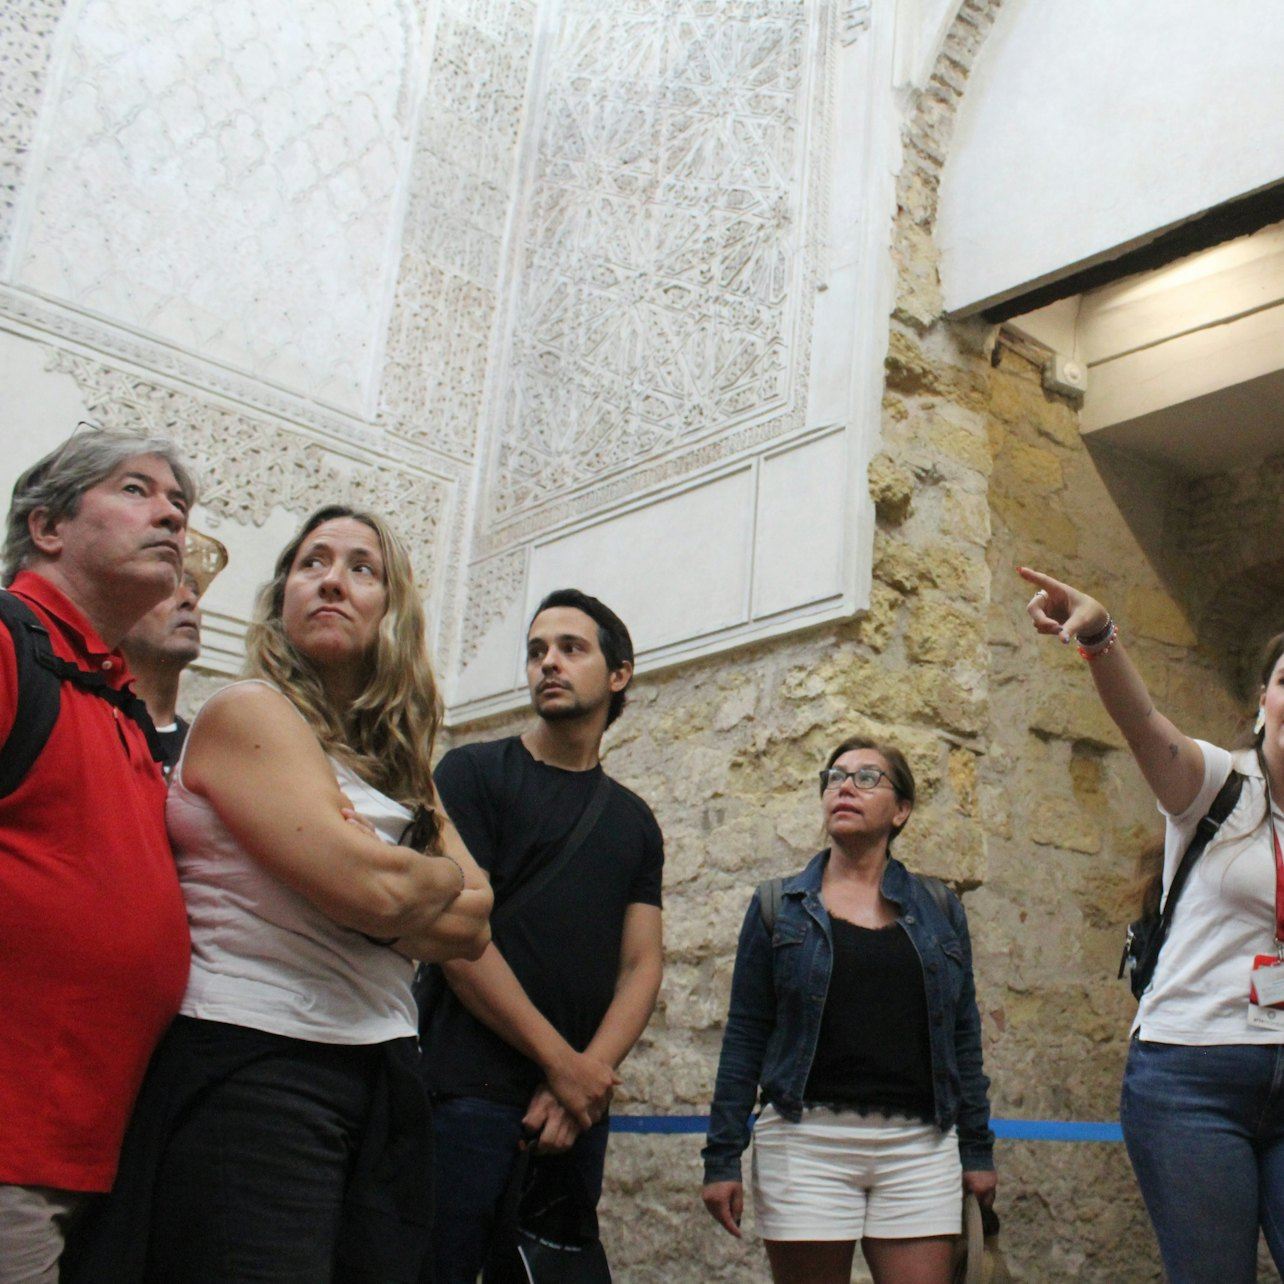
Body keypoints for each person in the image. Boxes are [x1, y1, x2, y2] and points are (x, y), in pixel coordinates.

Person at [66, 504, 493, 1284]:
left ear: (392, 610)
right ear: (282, 596)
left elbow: (475, 923)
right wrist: (418, 876)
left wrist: (389, 880)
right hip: (258, 1067)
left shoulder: (399, 764)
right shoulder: (248, 712)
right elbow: (376, 892)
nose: (333, 579)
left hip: (382, 1066)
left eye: (362, 568)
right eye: (312, 563)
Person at [1019, 565, 1284, 1283]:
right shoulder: (1214, 782)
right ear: (1265, 702)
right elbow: (1142, 724)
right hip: (1192, 1078)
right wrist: (1101, 637)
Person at [420, 588, 665, 1282]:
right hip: (465, 1094)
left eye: (570, 648)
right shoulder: (468, 774)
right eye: (536, 651)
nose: (547, 664)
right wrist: (564, 1066)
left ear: (618, 674)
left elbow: (642, 965)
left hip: (574, 1115)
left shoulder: (634, 821)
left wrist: (583, 1082)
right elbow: (458, 939)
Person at [0, 429, 196, 1284]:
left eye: (179, 505)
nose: (172, 517)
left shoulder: (112, 698)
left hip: (86, 1153)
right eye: (137, 491)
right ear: (48, 526)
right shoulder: (10, 645)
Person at [701, 736, 996, 1284]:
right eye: (834, 777)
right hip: (804, 1141)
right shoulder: (778, 907)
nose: (844, 787)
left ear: (901, 810)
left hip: (920, 1145)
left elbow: (963, 1033)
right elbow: (745, 1034)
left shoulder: (938, 909)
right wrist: (722, 1157)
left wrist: (976, 1149)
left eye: (866, 778)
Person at [120, 530, 227, 773]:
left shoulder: (206, 758)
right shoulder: (86, 724)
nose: (189, 599)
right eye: (168, 586)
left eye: (194, 588)